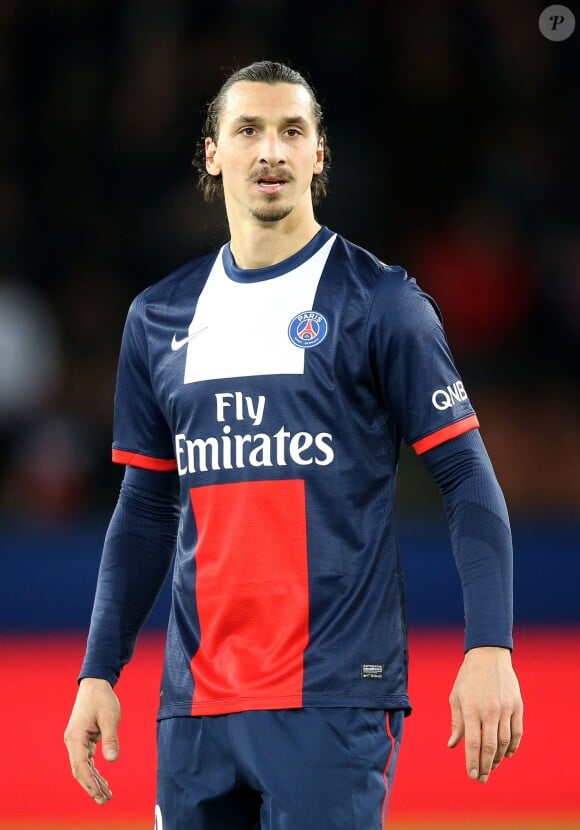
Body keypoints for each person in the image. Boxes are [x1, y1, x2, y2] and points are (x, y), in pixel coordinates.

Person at [64, 60, 523, 829]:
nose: (270, 150)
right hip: (196, 706)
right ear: (212, 153)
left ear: (319, 155)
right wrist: (98, 671)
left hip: (332, 695)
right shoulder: (159, 316)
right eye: (248, 130)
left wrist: (491, 649)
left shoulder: (381, 303)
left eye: (292, 131)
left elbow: (466, 479)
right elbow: (145, 507)